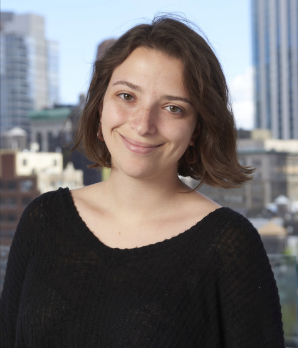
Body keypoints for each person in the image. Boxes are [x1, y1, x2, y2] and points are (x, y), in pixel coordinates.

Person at [0, 16, 285, 347]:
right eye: (126, 96)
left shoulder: (229, 244)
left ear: (196, 129)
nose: (143, 124)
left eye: (172, 108)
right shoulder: (43, 219)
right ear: (99, 108)